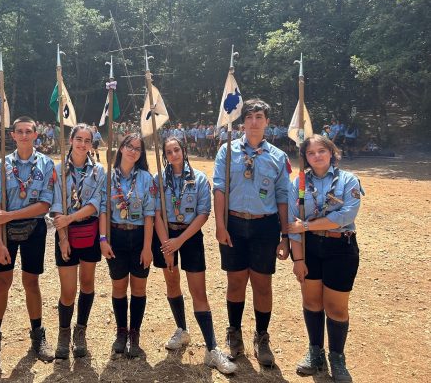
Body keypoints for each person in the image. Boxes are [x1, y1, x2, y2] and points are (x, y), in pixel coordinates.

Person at [212, 99, 291, 367]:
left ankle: (261, 336)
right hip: (234, 224)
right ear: (242, 122)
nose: (254, 122)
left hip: (264, 226)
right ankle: (234, 333)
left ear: (267, 122)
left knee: (262, 283)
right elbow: (219, 188)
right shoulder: (227, 151)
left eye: (259, 117)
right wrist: (220, 225)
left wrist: (285, 236)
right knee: (235, 282)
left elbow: (283, 197)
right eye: (249, 117)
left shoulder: (278, 157)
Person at [152, 136, 236, 374]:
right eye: (168, 152)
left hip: (189, 236)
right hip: (166, 236)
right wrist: (167, 246)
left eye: (176, 150)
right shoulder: (159, 179)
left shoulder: (198, 178)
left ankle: (212, 348)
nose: (173, 155)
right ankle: (182, 330)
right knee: (172, 283)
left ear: (184, 150)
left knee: (199, 291)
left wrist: (180, 241)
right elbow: (156, 213)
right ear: (164, 156)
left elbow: (203, 213)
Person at [0, 116, 55, 367]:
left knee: (31, 282)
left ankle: (37, 335)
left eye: (28, 131)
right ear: (12, 135)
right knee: (2, 282)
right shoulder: (2, 164)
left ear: (36, 134)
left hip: (34, 228)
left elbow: (44, 205)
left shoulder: (46, 164)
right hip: (5, 232)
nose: (24, 135)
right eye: (19, 131)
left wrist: (10, 215)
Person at [287, 134, 362, 382]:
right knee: (311, 302)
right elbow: (292, 224)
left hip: (340, 247)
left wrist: (307, 226)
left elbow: (346, 215)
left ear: (331, 152)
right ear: (305, 158)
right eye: (310, 153)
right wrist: (298, 261)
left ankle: (337, 358)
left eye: (321, 150)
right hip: (310, 248)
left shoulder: (348, 180)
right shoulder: (298, 183)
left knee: (336, 307)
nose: (317, 156)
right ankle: (315, 352)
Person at [50, 124, 106, 359]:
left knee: (87, 283)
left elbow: (95, 204)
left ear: (92, 144)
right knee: (68, 290)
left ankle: (80, 330)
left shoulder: (99, 171)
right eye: (79, 139)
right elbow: (56, 205)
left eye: (87, 140)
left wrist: (70, 218)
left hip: (89, 232)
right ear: (71, 140)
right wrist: (63, 237)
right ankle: (64, 332)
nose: (83, 144)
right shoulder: (58, 169)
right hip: (66, 233)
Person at [98, 133, 155, 358]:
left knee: (139, 288)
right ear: (121, 148)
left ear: (141, 154)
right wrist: (103, 240)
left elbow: (149, 215)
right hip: (116, 237)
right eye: (129, 146)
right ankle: (121, 331)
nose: (132, 151)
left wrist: (148, 247)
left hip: (140, 237)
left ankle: (134, 333)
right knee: (119, 287)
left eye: (137, 149)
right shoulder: (108, 177)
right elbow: (103, 210)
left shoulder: (146, 178)